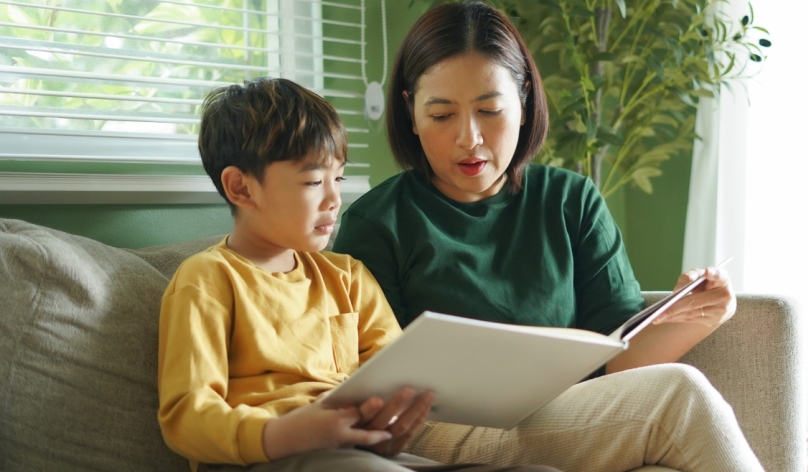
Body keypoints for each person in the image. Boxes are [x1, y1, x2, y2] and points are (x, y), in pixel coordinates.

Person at [332, 1, 766, 472]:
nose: (470, 138)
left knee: (677, 396)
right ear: (410, 114)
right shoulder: (377, 223)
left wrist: (700, 315)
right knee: (680, 396)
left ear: (523, 104)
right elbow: (366, 382)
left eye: (490, 110)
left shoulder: (570, 200)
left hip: (564, 414)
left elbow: (619, 359)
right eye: (441, 116)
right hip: (433, 432)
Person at [157, 77, 560, 472]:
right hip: (267, 458)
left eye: (338, 179)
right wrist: (281, 434)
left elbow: (397, 376)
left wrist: (392, 422)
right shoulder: (207, 279)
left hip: (359, 456)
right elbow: (186, 416)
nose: (335, 200)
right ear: (241, 189)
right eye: (314, 181)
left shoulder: (347, 277)